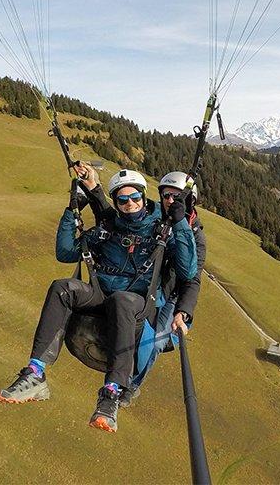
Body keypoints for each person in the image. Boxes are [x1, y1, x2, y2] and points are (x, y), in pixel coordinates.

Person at [0, 169, 198, 434]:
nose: (130, 204)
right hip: (101, 296)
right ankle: (35, 372)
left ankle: (111, 393)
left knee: (122, 301)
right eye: (122, 200)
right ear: (115, 203)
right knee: (62, 288)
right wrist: (72, 211)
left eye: (135, 197)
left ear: (144, 196)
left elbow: (188, 271)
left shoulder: (162, 231)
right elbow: (66, 252)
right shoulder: (108, 228)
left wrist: (180, 224)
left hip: (137, 304)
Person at [73, 165, 207, 407]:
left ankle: (131, 385)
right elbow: (115, 221)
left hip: (172, 296)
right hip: (150, 291)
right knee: (137, 327)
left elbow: (192, 277)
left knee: (154, 341)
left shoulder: (194, 235)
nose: (169, 200)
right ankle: (116, 376)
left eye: (176, 196)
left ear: (190, 200)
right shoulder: (154, 219)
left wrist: (183, 312)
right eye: (165, 195)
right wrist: (94, 189)